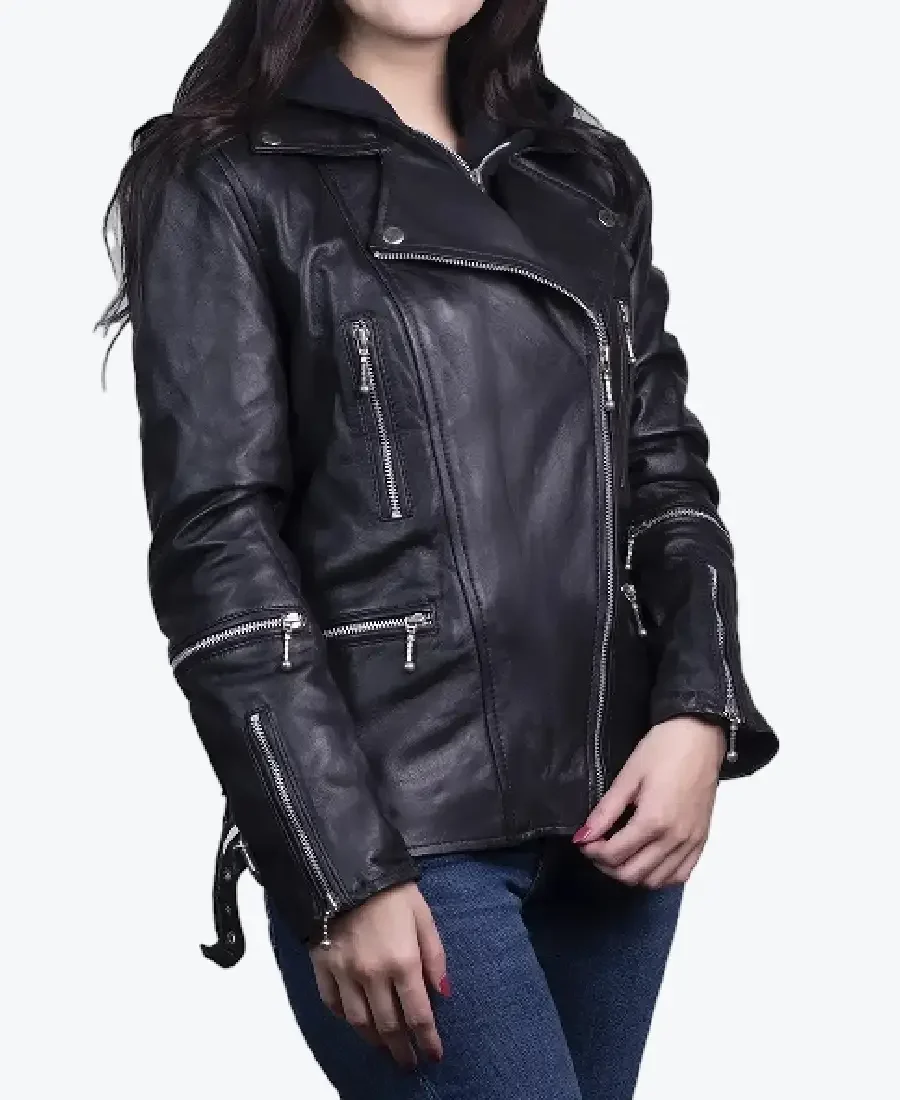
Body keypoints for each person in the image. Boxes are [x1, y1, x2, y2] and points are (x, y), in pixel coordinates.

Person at [99, 1, 780, 1097]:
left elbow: (665, 474)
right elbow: (219, 548)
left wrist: (700, 708)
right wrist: (337, 868)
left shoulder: (585, 173)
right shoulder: (221, 175)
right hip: (401, 833)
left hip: (618, 822)